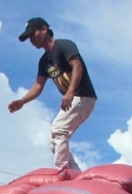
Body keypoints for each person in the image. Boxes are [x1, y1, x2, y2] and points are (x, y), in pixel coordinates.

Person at [8, 17, 97, 171]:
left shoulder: (64, 46)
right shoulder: (44, 61)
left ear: (44, 29)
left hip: (83, 96)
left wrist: (70, 92)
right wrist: (22, 101)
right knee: (54, 141)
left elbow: (77, 66)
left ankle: (61, 170)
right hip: (73, 100)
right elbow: (38, 85)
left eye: (32, 34)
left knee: (58, 130)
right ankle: (75, 173)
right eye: (28, 38)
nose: (31, 40)